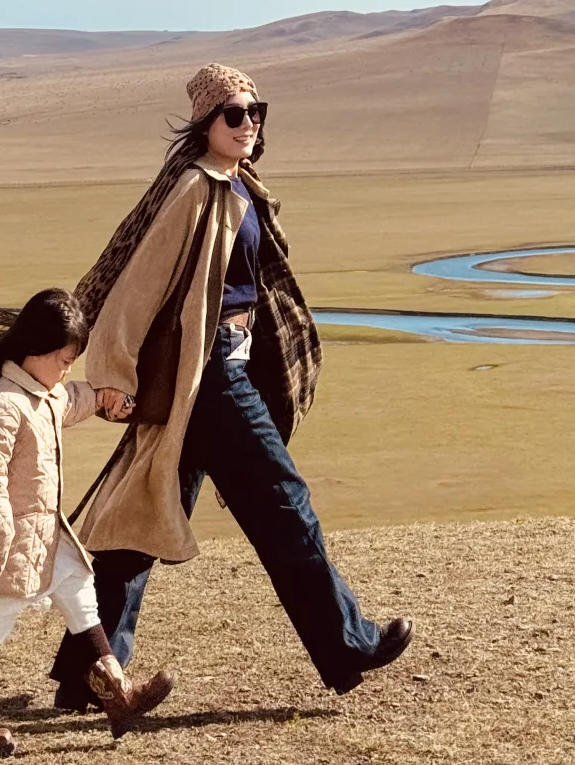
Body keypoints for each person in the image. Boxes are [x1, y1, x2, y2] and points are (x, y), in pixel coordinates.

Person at [50, 63, 413, 710]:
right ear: (205, 123)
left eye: (256, 111)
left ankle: (86, 673)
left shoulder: (235, 183)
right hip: (210, 374)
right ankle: (348, 644)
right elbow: (136, 288)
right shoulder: (196, 187)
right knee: (285, 504)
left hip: (219, 368)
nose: (249, 124)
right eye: (234, 114)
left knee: (141, 522)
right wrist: (111, 376)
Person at [0, 289, 172, 759]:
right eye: (63, 360)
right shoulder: (2, 406)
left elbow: (71, 399)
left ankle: (119, 697)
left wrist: (102, 398)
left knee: (81, 594)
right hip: (10, 544)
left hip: (46, 534)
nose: (66, 369)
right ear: (36, 349)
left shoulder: (42, 394)